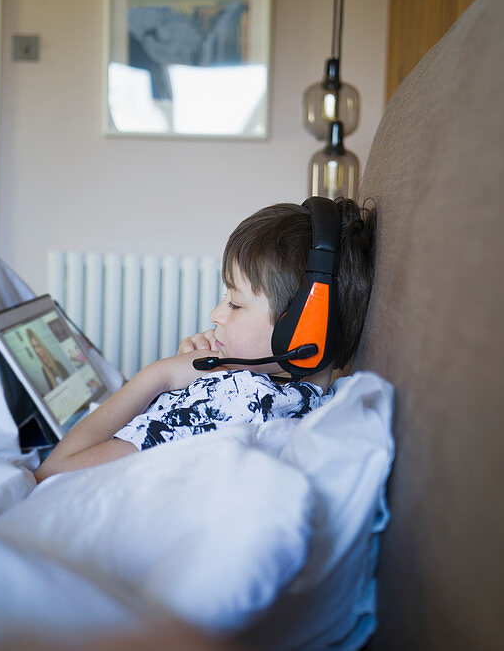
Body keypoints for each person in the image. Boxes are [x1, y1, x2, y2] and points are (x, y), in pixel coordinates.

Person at [35, 197, 377, 482]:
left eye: (236, 303)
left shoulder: (232, 402)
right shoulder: (303, 398)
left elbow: (54, 472)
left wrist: (160, 375)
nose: (216, 314)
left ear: (305, 332)